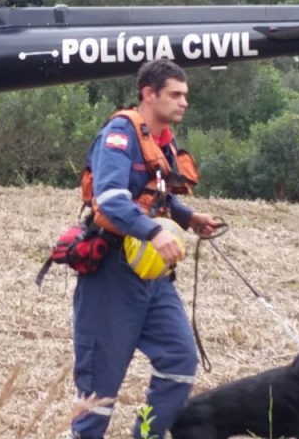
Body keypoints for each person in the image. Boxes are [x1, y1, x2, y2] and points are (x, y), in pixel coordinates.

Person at [70, 59, 220, 439]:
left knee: (180, 361)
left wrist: (188, 219)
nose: (184, 102)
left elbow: (155, 198)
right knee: (99, 386)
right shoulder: (119, 135)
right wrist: (154, 233)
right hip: (113, 274)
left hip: (155, 278)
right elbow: (111, 199)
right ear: (148, 94)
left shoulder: (162, 142)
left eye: (186, 95)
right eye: (175, 94)